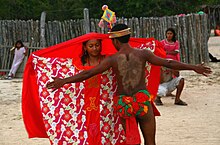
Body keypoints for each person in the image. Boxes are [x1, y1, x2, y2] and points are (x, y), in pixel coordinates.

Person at [46, 24, 211, 145]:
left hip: (123, 103)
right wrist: (194, 67)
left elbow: (88, 73)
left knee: (130, 141)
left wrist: (63, 81)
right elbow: (168, 62)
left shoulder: (112, 59)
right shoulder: (144, 54)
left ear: (115, 41)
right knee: (150, 141)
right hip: (142, 102)